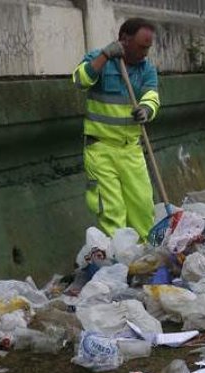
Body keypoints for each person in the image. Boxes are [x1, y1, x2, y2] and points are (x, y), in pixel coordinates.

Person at [71, 18, 161, 241]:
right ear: (124, 40)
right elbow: (80, 80)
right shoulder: (99, 59)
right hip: (101, 149)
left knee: (142, 204)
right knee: (112, 210)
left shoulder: (147, 69)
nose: (145, 53)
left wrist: (146, 110)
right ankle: (121, 260)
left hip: (131, 149)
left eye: (148, 48)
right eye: (141, 47)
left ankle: (145, 257)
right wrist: (105, 56)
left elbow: (152, 96)